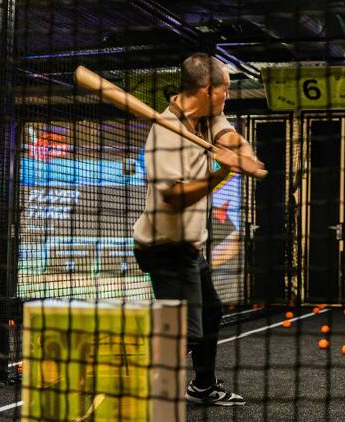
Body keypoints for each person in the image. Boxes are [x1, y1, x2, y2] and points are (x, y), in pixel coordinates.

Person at [133, 53, 264, 406]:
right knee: (184, 334)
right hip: (165, 246)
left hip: (191, 246)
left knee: (210, 312)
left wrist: (244, 155)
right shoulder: (164, 134)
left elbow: (230, 136)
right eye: (226, 90)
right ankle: (140, 396)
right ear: (207, 89)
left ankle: (202, 387)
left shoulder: (207, 115)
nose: (228, 96)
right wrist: (221, 172)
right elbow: (174, 197)